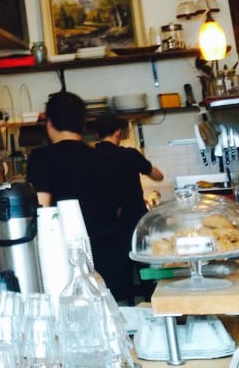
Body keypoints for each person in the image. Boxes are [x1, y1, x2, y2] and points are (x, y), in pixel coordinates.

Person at [25, 92, 130, 302]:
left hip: (68, 265)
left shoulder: (41, 159)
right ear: (82, 124)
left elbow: (42, 211)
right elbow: (119, 207)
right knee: (116, 317)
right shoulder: (105, 157)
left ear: (49, 123)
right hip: (111, 260)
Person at [93, 114, 164, 300]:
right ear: (118, 132)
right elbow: (158, 176)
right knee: (147, 273)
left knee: (118, 285)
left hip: (108, 229)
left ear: (97, 134)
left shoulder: (89, 157)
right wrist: (144, 165)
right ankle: (152, 304)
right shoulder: (130, 155)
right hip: (136, 225)